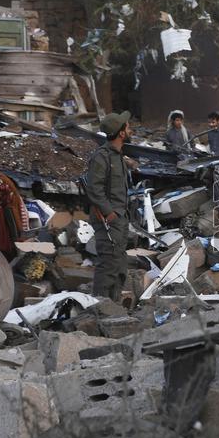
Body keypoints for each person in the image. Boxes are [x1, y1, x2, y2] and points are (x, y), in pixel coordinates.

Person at [87, 111, 133, 302]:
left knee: (119, 267)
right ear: (121, 133)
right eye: (127, 127)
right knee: (107, 266)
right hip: (108, 220)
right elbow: (94, 188)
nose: (130, 129)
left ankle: (114, 308)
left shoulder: (118, 156)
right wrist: (109, 212)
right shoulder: (102, 157)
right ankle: (99, 308)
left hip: (120, 220)